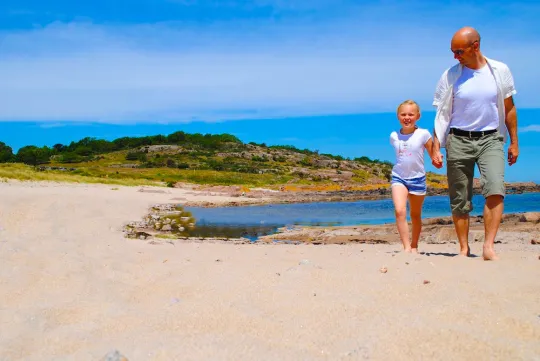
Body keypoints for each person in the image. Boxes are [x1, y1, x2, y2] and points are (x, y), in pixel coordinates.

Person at [431, 27, 519, 260]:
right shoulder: (450, 76)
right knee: (460, 197)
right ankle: (463, 248)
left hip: (491, 138)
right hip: (458, 140)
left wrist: (514, 142)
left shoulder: (499, 71)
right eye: (453, 52)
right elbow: (441, 114)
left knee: (495, 189)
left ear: (475, 46)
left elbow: (509, 108)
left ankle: (488, 247)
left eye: (459, 51)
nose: (455, 56)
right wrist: (436, 146)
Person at [390, 100, 435, 253]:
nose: (407, 117)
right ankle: (406, 247)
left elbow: (432, 152)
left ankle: (414, 245)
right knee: (400, 210)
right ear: (398, 116)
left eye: (411, 114)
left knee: (415, 215)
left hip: (418, 179)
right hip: (399, 177)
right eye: (403, 114)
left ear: (417, 116)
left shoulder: (423, 134)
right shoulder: (394, 136)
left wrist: (437, 158)